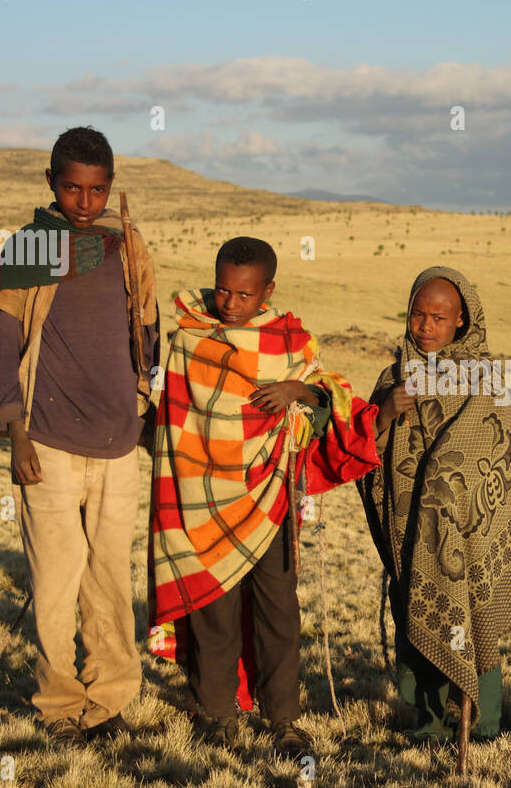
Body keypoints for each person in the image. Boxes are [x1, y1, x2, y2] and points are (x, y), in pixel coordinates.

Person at [147, 237, 379, 757]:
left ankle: (284, 719)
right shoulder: (189, 336)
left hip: (270, 497)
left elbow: (330, 391)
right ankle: (215, 713)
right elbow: (179, 416)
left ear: (267, 291)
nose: (230, 303)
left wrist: (299, 392)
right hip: (200, 497)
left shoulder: (288, 342)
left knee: (278, 610)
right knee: (213, 606)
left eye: (244, 295)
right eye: (223, 290)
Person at [0, 126, 159, 746]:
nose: (84, 202)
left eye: (97, 190)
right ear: (51, 184)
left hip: (119, 441)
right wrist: (16, 432)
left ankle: (109, 699)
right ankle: (61, 705)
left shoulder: (127, 245)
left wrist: (145, 413)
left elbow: (148, 335)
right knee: (56, 580)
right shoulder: (33, 247)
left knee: (110, 577)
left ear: (111, 188)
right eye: (71, 188)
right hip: (48, 438)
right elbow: (7, 349)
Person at [358, 265, 511, 744]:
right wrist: (385, 412)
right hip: (407, 526)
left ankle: (481, 723)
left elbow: (497, 452)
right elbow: (363, 448)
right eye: (417, 315)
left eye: (438, 318)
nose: (425, 327)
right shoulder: (393, 375)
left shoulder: (485, 379)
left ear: (462, 320)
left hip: (467, 531)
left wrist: (444, 482)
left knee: (472, 623)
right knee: (417, 619)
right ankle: (429, 723)